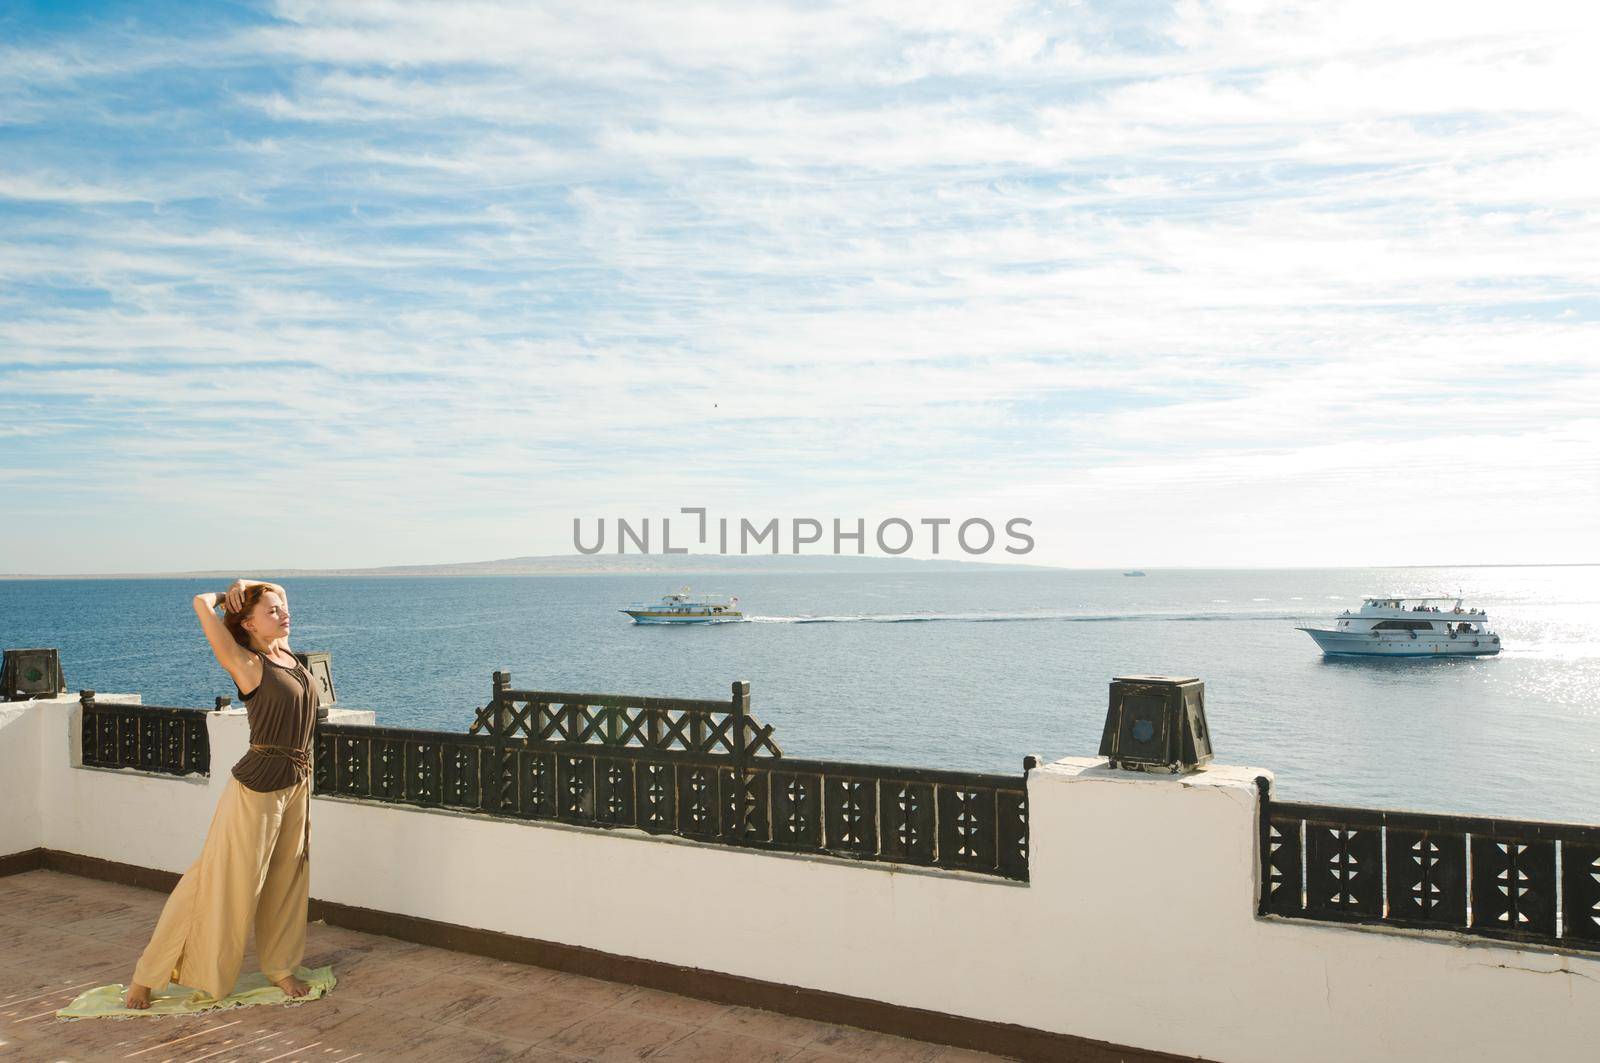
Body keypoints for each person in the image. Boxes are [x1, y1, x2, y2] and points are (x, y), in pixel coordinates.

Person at [123, 579, 316, 1008]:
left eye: (282, 607)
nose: (283, 612)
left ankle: (281, 967)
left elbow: (277, 587)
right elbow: (199, 603)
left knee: (286, 881)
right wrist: (220, 595)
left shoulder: (285, 653)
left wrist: (248, 584)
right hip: (257, 786)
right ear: (247, 623)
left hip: (298, 781)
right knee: (216, 881)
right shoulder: (245, 662)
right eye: (272, 610)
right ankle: (147, 975)